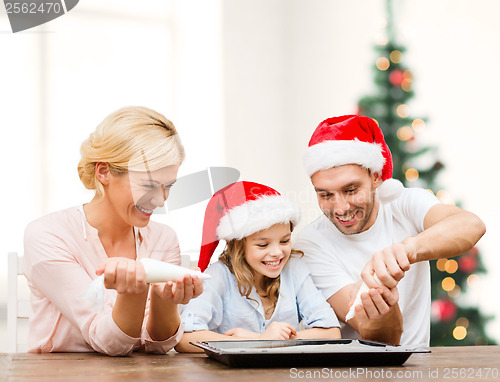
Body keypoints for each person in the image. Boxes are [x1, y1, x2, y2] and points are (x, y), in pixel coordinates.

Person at [23, 106, 203, 356]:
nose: (161, 201)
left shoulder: (164, 238)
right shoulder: (48, 235)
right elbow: (108, 342)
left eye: (168, 186)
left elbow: (158, 346)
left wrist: (165, 301)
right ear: (104, 171)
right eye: (149, 185)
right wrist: (135, 292)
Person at [294, 114, 486, 346]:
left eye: (351, 190)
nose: (340, 208)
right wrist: (384, 303)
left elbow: (471, 225)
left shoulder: (404, 203)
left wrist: (408, 249)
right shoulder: (310, 245)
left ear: (375, 177)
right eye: (325, 194)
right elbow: (377, 337)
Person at [175, 181, 341, 353]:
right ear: (238, 246)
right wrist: (261, 339)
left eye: (285, 241)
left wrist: (267, 341)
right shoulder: (218, 275)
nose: (277, 252)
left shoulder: (295, 269)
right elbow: (186, 339)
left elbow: (332, 333)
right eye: (263, 245)